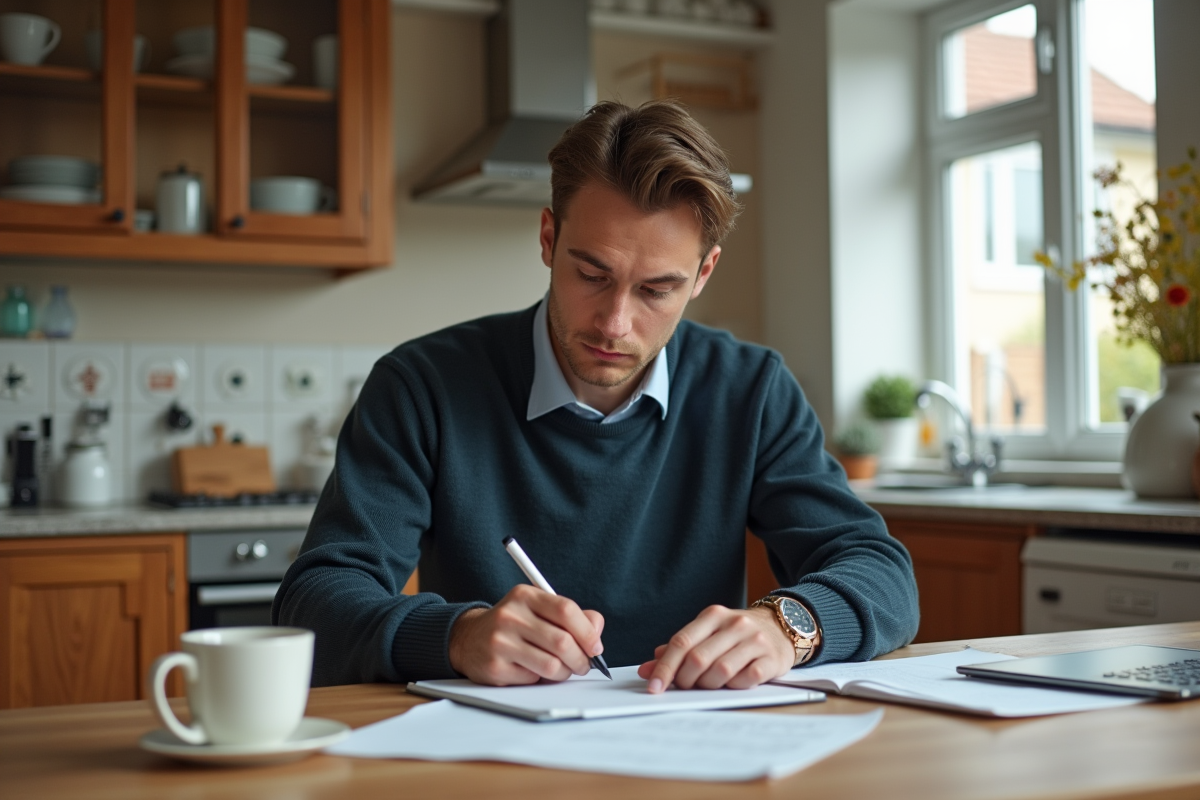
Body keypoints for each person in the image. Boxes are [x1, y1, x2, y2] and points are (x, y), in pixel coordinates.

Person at [274, 99, 919, 691]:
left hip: (694, 752)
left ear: (703, 274)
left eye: (656, 290)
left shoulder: (751, 391)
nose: (615, 323)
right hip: (488, 758)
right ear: (549, 239)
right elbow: (315, 602)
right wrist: (455, 636)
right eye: (592, 274)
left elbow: (882, 573)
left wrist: (790, 626)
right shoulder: (421, 387)